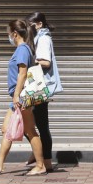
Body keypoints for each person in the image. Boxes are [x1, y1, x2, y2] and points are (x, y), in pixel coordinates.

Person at [0, 19, 47, 176]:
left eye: (9, 34)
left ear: (15, 34)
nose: (8, 37)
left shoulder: (22, 49)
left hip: (21, 97)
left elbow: (22, 73)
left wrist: (16, 95)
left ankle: (40, 165)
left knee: (30, 130)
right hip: (18, 97)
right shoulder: (22, 49)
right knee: (7, 129)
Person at [25, 11, 63, 172]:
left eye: (30, 26)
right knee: (36, 124)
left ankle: (44, 159)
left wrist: (30, 61)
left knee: (35, 125)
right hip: (38, 87)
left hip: (40, 87)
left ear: (39, 24)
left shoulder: (44, 39)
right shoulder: (39, 38)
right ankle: (42, 156)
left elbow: (46, 62)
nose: (28, 29)